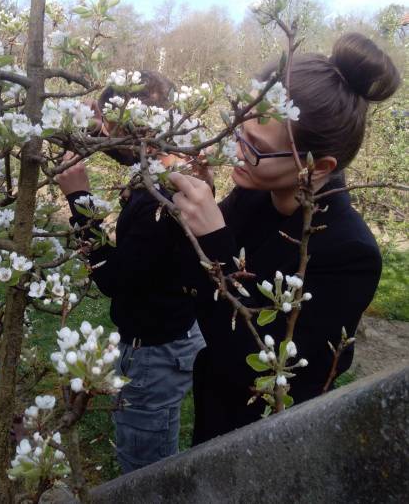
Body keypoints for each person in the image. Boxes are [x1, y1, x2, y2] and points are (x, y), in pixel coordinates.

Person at [169, 32, 401, 444]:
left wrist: (213, 241)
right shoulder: (255, 195)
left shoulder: (350, 255)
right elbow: (195, 281)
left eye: (254, 147)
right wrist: (196, 216)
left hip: (271, 438)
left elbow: (259, 362)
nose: (237, 151)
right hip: (216, 411)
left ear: (315, 167)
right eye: (238, 130)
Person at [56, 70, 206, 473]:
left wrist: (79, 199)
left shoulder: (157, 202)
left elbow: (113, 278)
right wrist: (88, 121)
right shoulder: (171, 173)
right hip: (175, 334)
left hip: (155, 351)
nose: (101, 131)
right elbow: (121, 146)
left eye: (107, 123)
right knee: (161, 434)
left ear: (138, 128)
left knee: (143, 461)